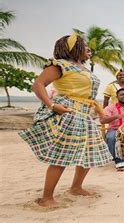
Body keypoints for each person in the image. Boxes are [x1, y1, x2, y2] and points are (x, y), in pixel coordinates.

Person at [18, 34, 113, 207]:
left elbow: (88, 96)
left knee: (88, 153)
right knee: (61, 156)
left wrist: (100, 112)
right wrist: (52, 105)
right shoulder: (60, 65)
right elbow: (38, 84)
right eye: (84, 45)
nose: (88, 49)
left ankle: (76, 188)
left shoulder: (84, 69)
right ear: (73, 48)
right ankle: (46, 198)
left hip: (85, 114)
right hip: (69, 111)